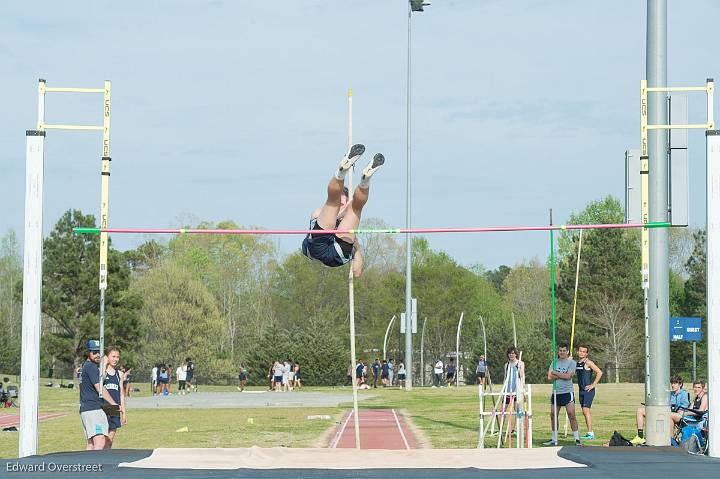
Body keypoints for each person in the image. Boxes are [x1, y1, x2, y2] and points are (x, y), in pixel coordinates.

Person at [301, 144, 385, 278]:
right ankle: (343, 173)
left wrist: (357, 251)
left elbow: (356, 273)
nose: (342, 207)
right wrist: (347, 209)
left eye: (343, 204)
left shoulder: (350, 234)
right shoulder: (318, 212)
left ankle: (365, 180)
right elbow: (327, 216)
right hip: (319, 248)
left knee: (355, 207)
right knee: (342, 205)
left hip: (336, 252)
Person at [631, 375, 690, 445]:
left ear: (680, 384)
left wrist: (673, 408)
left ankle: (671, 441)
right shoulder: (670, 394)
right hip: (665, 412)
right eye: (672, 383)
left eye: (675, 383)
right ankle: (640, 436)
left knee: (668, 415)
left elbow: (685, 406)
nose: (672, 385)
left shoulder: (684, 393)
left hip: (678, 415)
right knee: (640, 410)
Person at [79, 340, 116, 450]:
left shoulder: (87, 366)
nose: (97, 355)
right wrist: (113, 404)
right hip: (93, 409)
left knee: (91, 444)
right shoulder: (91, 367)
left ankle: (88, 466)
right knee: (100, 442)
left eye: (99, 352)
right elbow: (100, 388)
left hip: (87, 409)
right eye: (94, 352)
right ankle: (96, 466)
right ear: (88, 352)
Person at [543, 344, 580, 446]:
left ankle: (577, 438)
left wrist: (556, 373)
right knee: (553, 415)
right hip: (556, 392)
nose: (562, 352)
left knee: (571, 415)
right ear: (558, 351)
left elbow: (568, 376)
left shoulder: (572, 363)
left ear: (567, 351)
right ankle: (554, 438)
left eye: (564, 350)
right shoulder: (554, 362)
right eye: (560, 350)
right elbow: (549, 377)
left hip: (567, 392)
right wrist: (559, 374)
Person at [575, 344, 603, 440]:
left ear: (586, 353)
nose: (581, 353)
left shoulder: (588, 362)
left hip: (588, 391)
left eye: (584, 351)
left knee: (586, 411)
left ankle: (591, 433)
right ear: (577, 351)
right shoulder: (577, 363)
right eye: (580, 351)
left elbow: (599, 372)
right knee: (584, 412)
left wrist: (593, 385)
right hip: (581, 390)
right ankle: (589, 432)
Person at [102, 346, 127, 449]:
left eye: (117, 357)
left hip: (114, 408)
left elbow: (121, 393)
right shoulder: (102, 373)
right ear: (107, 357)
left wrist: (124, 412)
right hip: (103, 407)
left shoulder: (119, 374)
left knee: (110, 441)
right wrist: (104, 364)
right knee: (101, 440)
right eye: (113, 356)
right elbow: (100, 381)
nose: (115, 359)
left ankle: (107, 460)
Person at [502, 346, 526, 436]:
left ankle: (515, 429)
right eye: (510, 353)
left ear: (516, 354)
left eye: (513, 353)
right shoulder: (506, 365)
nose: (511, 355)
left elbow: (522, 375)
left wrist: (519, 369)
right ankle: (501, 428)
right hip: (508, 390)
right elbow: (505, 377)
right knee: (503, 409)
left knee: (517, 409)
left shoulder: (520, 363)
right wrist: (503, 390)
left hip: (517, 390)